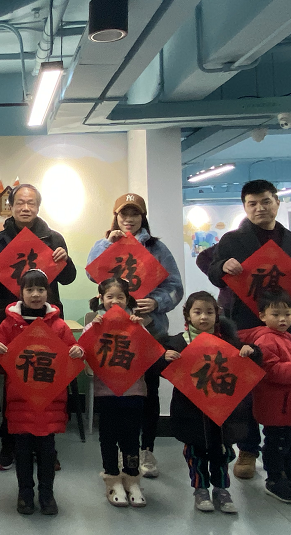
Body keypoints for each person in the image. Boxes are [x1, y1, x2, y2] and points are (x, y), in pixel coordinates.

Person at [207, 180, 291, 479]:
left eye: (266, 201)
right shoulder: (232, 239)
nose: (260, 208)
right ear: (245, 207)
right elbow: (214, 272)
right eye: (252, 203)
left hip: (285, 324)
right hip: (246, 322)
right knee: (247, 387)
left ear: (277, 202)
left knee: (287, 384)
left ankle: (287, 453)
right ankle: (248, 448)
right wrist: (222, 267)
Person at [0, 184, 77, 470]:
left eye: (31, 203)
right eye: (20, 203)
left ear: (38, 206)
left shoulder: (53, 238)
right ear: (10, 206)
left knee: (48, 379)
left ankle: (47, 445)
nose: (25, 208)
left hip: (48, 320)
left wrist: (66, 261)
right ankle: (9, 443)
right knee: (14, 381)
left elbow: (68, 278)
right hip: (12, 319)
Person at [86, 192, 183, 478]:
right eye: (123, 214)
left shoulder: (158, 248)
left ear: (143, 217)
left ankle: (146, 449)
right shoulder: (105, 244)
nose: (129, 219)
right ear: (115, 216)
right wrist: (109, 244)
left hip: (150, 332)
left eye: (135, 214)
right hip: (115, 336)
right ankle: (120, 449)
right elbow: (92, 274)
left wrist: (157, 302)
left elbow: (175, 287)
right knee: (115, 393)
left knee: (148, 393)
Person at [155, 291, 261, 514]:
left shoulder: (228, 341)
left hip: (222, 413)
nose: (203, 317)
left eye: (209, 312)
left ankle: (222, 489)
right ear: (187, 315)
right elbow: (158, 367)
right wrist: (164, 358)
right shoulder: (177, 342)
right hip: (190, 412)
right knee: (195, 453)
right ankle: (200, 489)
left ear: (217, 314)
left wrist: (250, 351)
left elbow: (251, 361)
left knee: (222, 452)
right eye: (198, 312)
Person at [0, 269, 84, 516]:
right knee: (21, 452)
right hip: (20, 400)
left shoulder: (59, 325)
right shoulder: (10, 324)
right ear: (21, 293)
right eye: (29, 289)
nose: (35, 294)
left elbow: (72, 351)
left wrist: (77, 351)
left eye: (41, 289)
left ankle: (47, 494)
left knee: (47, 452)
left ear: (48, 293)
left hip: (50, 401)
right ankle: (25, 494)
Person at [238, 289, 291, 504]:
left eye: (287, 314)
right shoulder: (266, 340)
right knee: (276, 444)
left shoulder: (287, 336)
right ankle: (275, 480)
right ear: (262, 316)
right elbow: (271, 370)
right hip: (276, 406)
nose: (283, 319)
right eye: (275, 315)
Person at [82, 278, 150, 508]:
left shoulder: (136, 323)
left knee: (131, 436)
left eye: (120, 296)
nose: (115, 301)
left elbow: (149, 352)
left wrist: (139, 328)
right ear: (101, 299)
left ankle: (132, 478)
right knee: (108, 437)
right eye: (109, 296)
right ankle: (112, 479)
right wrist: (94, 328)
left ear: (127, 299)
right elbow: (84, 349)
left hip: (134, 391)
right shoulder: (95, 323)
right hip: (106, 391)